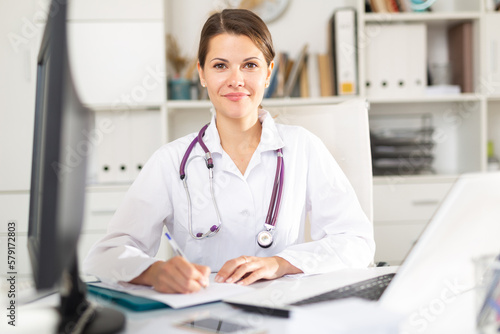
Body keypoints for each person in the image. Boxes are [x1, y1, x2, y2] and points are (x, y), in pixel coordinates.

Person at [83, 9, 375, 294]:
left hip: (283, 310)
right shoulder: (171, 161)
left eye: (250, 65)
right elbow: (105, 256)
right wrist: (154, 272)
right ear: (201, 73)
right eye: (220, 65)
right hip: (203, 312)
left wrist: (281, 263)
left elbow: (357, 241)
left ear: (268, 72)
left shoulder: (303, 147)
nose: (236, 80)